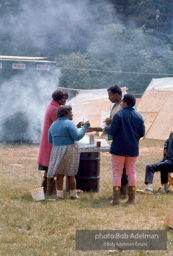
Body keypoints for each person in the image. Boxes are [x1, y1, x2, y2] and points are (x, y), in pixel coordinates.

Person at [104, 94, 145, 205]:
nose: (121, 104)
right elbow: (142, 133)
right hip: (132, 149)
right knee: (131, 172)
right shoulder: (139, 117)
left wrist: (106, 128)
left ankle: (116, 199)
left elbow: (112, 131)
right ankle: (131, 199)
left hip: (118, 148)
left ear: (125, 103)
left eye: (122, 102)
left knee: (117, 172)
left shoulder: (119, 115)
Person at [47, 105, 90, 199]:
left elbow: (50, 140)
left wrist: (76, 126)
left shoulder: (53, 124)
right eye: (71, 112)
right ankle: (73, 195)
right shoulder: (69, 123)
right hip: (70, 149)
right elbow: (77, 136)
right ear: (65, 113)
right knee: (70, 174)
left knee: (60, 174)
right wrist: (85, 127)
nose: (72, 114)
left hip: (57, 150)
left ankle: (60, 196)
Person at [37, 89, 68, 195]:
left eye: (66, 98)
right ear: (57, 98)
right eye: (63, 98)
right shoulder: (55, 109)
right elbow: (60, 125)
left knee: (48, 167)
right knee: (52, 165)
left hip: (48, 138)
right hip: (52, 140)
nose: (65, 101)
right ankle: (51, 190)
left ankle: (44, 188)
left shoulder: (52, 106)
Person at [104, 85, 129, 199]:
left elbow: (125, 119)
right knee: (119, 167)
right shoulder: (114, 106)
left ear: (117, 95)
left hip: (124, 139)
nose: (109, 98)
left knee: (123, 168)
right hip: (117, 138)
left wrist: (111, 121)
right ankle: (120, 191)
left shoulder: (125, 105)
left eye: (110, 95)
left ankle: (123, 192)